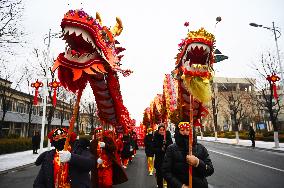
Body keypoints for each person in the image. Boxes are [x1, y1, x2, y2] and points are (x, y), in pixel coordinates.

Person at [162, 122, 214, 188]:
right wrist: (180, 186)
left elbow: (210, 170)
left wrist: (197, 162)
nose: (185, 132)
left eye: (188, 130)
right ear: (178, 131)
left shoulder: (201, 148)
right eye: (182, 130)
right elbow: (166, 172)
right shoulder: (171, 149)